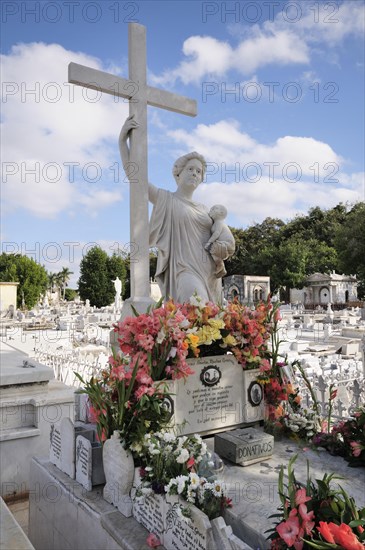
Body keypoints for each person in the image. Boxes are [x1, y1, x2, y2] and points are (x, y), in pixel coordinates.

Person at [119, 115, 234, 304]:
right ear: (178, 173)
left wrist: (223, 249)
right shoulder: (167, 199)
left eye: (199, 172)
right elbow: (136, 179)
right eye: (190, 169)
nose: (195, 174)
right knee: (197, 308)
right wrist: (122, 142)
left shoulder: (207, 210)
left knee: (211, 323)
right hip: (184, 269)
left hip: (210, 274)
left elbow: (224, 240)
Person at [204, 204, 235, 278]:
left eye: (214, 209)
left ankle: (220, 265)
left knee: (213, 247)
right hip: (225, 244)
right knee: (214, 250)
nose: (211, 210)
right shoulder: (216, 223)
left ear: (221, 213)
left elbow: (216, 234)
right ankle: (221, 267)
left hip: (228, 244)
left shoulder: (219, 223)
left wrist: (208, 243)